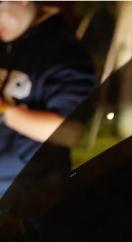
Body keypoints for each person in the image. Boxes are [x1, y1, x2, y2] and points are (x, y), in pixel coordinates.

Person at [0, 1, 96, 195]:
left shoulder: (65, 54)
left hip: (22, 195)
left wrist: (4, 110)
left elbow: (71, 132)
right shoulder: (8, 41)